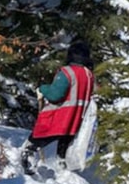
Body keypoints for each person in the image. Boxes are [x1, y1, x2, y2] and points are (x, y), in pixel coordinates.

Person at [21, 41, 96, 174]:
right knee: (65, 143)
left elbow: (55, 95)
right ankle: (62, 166)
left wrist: (43, 89)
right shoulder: (89, 75)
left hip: (60, 116)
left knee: (37, 139)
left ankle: (27, 158)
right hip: (77, 118)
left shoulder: (67, 72)